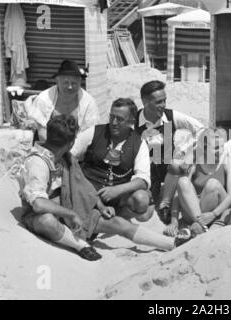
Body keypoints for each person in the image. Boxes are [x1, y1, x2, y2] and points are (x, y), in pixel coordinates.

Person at [71, 98, 190, 250]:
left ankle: (113, 219)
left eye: (119, 119)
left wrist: (116, 190)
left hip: (114, 199)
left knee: (141, 199)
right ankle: (170, 244)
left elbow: (143, 180)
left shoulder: (138, 143)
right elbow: (70, 155)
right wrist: (84, 188)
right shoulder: (94, 132)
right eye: (112, 117)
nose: (114, 122)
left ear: (131, 121)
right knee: (119, 225)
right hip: (86, 195)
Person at [20, 114, 102, 261]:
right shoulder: (37, 162)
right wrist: (70, 214)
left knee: (115, 224)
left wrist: (100, 205)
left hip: (65, 205)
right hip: (37, 213)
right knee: (47, 221)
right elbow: (38, 204)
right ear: (71, 143)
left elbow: (81, 185)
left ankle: (158, 242)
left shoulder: (64, 157)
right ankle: (80, 245)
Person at [136, 80, 205, 224]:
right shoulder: (134, 121)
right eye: (158, 102)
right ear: (145, 101)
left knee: (176, 164)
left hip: (167, 168)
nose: (163, 105)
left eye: (164, 101)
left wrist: (186, 153)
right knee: (143, 214)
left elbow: (201, 129)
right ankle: (153, 195)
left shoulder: (171, 116)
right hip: (144, 171)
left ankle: (165, 204)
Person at [163, 128, 231, 236]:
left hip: (215, 211)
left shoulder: (228, 162)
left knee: (213, 184)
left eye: (222, 147)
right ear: (205, 149)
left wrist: (213, 214)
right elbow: (179, 193)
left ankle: (199, 227)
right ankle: (201, 226)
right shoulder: (196, 161)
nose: (221, 151)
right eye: (216, 148)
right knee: (182, 181)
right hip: (195, 212)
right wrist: (174, 220)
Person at [27, 60, 99, 141]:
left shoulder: (89, 102)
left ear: (80, 82)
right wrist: (55, 150)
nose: (70, 87)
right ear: (57, 81)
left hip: (77, 149)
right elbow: (41, 130)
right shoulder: (43, 99)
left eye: (74, 83)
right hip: (49, 147)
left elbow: (87, 133)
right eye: (66, 83)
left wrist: (71, 152)